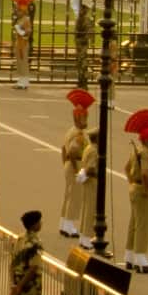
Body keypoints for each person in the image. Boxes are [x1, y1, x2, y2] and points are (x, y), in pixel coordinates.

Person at [122, 109, 148, 274]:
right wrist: (145, 188)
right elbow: (145, 173)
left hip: (134, 188)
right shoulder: (146, 153)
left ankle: (129, 257)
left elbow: (126, 168)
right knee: (144, 225)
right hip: (141, 190)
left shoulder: (136, 151)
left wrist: (132, 183)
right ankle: (141, 260)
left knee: (134, 224)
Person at [59, 89, 92, 238]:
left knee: (68, 195)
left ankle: (63, 223)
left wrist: (65, 165)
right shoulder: (79, 134)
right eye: (84, 117)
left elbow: (63, 149)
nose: (86, 120)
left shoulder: (70, 131)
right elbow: (72, 152)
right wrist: (76, 170)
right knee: (75, 197)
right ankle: (69, 226)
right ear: (79, 118)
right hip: (75, 164)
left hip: (69, 165)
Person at [75, 128, 100, 251]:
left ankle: (83, 237)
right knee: (91, 211)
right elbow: (90, 169)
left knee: (86, 209)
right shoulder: (94, 151)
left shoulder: (88, 148)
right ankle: (88, 238)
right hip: (92, 182)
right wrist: (99, 175)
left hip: (87, 182)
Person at [12, 0, 33, 90]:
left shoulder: (26, 19)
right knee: (20, 63)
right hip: (19, 43)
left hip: (23, 44)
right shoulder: (20, 19)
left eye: (19, 10)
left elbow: (28, 32)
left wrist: (19, 31)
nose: (17, 11)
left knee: (23, 62)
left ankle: (24, 82)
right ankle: (21, 80)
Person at [75, 2, 93, 89]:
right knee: (79, 63)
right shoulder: (79, 19)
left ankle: (84, 82)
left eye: (82, 10)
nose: (80, 11)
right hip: (79, 44)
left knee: (83, 64)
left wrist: (83, 39)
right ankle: (80, 82)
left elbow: (89, 33)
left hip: (82, 44)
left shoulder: (86, 20)